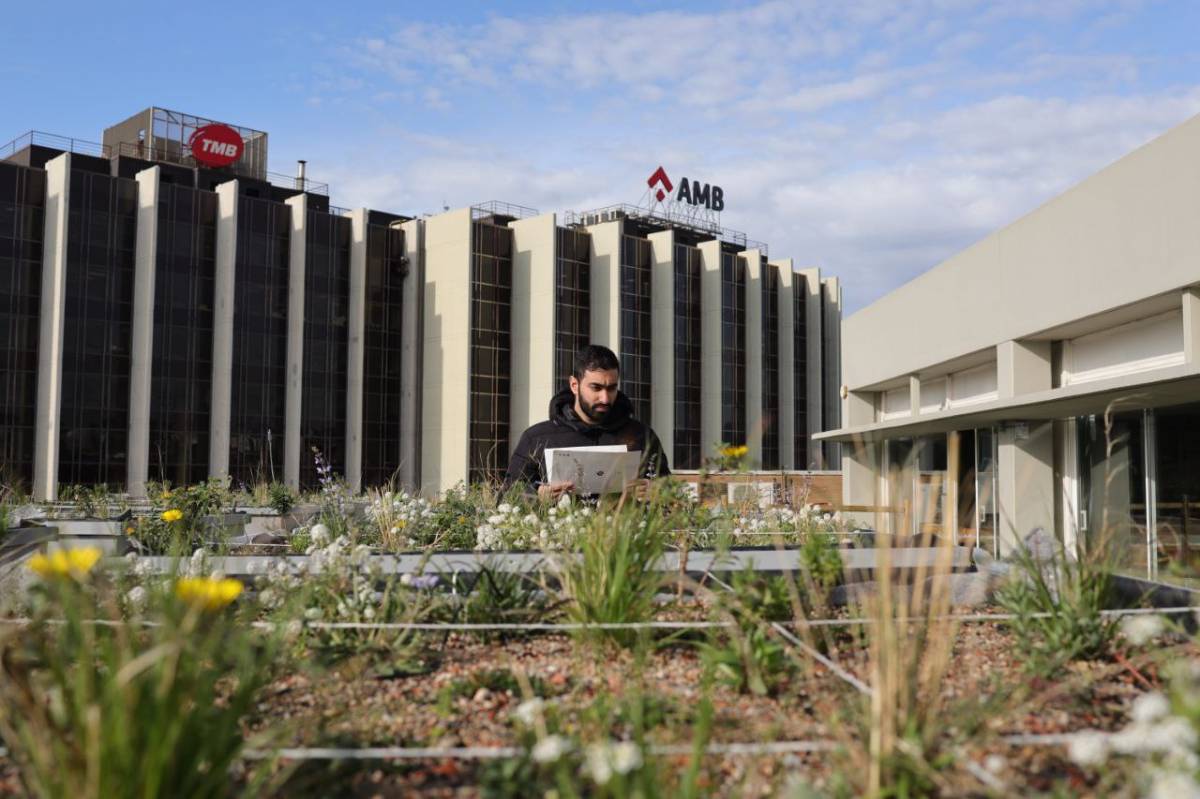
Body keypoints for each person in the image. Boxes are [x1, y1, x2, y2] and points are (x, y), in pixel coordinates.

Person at [504, 344, 670, 499]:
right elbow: (507, 496)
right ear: (574, 385)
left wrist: (656, 491)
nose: (605, 398)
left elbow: (670, 490)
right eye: (596, 388)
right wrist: (537, 496)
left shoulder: (642, 436)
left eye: (612, 388)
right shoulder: (537, 438)